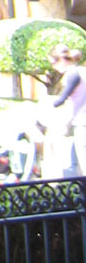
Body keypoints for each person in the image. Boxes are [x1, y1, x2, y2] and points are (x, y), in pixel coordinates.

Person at [40, 43, 86, 178]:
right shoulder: (83, 71)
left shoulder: (73, 74)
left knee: (83, 162)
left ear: (60, 60)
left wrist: (47, 105)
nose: (54, 68)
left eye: (53, 63)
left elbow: (62, 99)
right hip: (81, 119)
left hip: (81, 121)